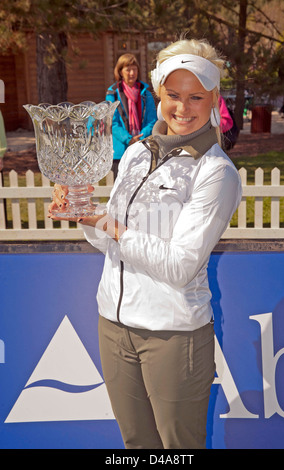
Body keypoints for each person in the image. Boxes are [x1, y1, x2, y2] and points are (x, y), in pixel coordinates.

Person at [49, 38, 242, 449]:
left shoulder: (216, 172)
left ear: (213, 100)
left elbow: (179, 266)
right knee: (137, 444)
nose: (182, 108)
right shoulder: (137, 153)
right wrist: (85, 213)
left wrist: (110, 225)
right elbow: (110, 240)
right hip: (114, 326)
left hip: (173, 334)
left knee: (179, 449)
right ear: (158, 94)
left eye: (196, 97)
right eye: (173, 95)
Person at [105, 53, 157, 178]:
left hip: (143, 148)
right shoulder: (112, 94)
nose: (132, 73)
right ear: (120, 71)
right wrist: (129, 139)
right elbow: (113, 123)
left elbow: (152, 120)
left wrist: (139, 138)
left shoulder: (146, 94)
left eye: (134, 69)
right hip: (121, 150)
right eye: (128, 70)